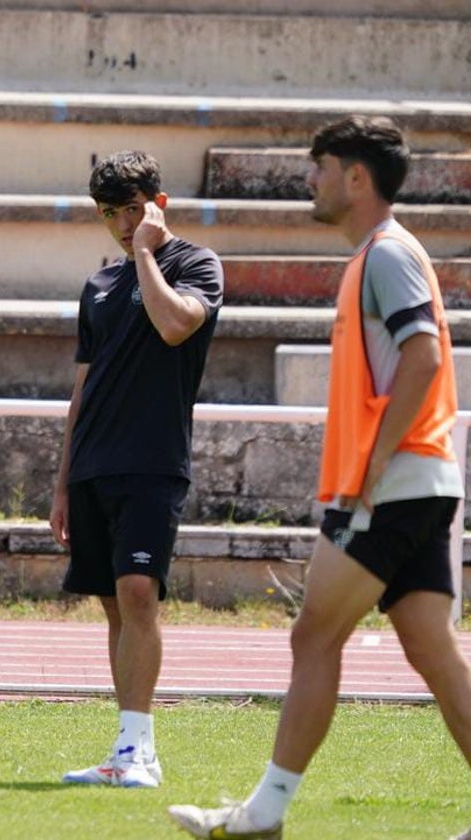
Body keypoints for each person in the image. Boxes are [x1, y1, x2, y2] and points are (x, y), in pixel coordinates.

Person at [170, 116, 471, 839]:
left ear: (356, 178)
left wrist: (368, 470)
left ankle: (265, 812)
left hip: (392, 486)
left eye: (321, 166)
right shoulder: (381, 256)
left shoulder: (386, 256)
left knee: (312, 638)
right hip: (421, 481)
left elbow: (426, 359)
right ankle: (264, 812)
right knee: (434, 653)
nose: (310, 180)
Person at [50, 150, 224, 788]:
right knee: (115, 609)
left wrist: (147, 254)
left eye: (132, 209)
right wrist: (62, 481)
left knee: (138, 594)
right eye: (110, 213)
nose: (123, 224)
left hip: (153, 461)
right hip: (94, 465)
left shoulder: (195, 264)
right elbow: (82, 389)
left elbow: (177, 326)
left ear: (159, 203)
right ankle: (127, 748)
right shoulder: (97, 286)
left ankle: (140, 752)